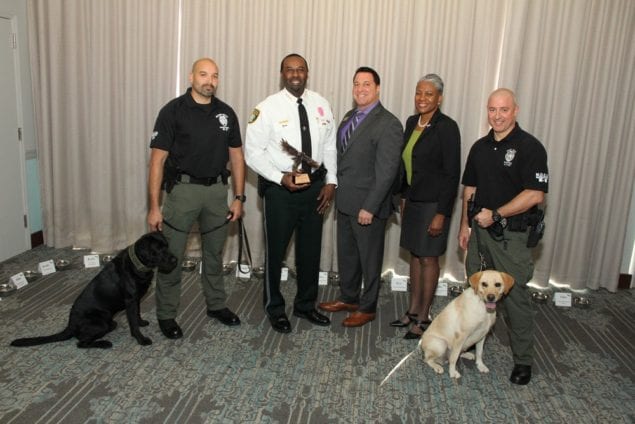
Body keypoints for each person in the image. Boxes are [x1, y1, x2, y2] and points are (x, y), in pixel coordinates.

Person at [147, 58, 246, 339]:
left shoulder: (226, 113)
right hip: (182, 192)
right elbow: (157, 161)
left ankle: (216, 305)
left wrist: (239, 197)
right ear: (191, 77)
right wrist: (154, 207)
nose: (209, 81)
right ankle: (166, 314)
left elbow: (237, 157)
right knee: (171, 256)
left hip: (217, 192)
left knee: (214, 255)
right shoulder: (172, 111)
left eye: (214, 76)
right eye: (204, 74)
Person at [458, 88, 549, 385]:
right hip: (479, 233)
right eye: (492, 110)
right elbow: (469, 190)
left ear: (516, 111)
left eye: (504, 110)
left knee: (514, 299)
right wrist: (465, 226)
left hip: (512, 237)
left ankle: (523, 360)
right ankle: (471, 344)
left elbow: (535, 194)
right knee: (476, 290)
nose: (497, 116)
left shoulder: (530, 147)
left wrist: (496, 214)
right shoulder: (480, 147)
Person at [244, 53, 337, 334]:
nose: (295, 74)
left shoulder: (321, 104)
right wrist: (279, 177)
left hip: (315, 191)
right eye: (289, 70)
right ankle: (275, 307)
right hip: (280, 193)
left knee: (310, 252)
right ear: (282, 74)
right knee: (276, 253)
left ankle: (306, 305)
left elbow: (330, 147)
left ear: (307, 73)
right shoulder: (267, 108)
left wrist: (331, 182)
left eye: (300, 69)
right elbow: (252, 153)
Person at [319, 67, 403, 327]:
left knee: (369, 259)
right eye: (356, 84)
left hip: (368, 206)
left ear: (377, 88)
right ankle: (349, 297)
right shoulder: (348, 116)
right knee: (347, 256)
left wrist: (370, 206)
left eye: (366, 84)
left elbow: (387, 172)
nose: (360, 89)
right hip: (345, 202)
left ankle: (367, 307)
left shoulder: (388, 123)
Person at [391, 74, 461, 339]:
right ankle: (411, 310)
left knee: (429, 258)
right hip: (413, 201)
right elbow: (408, 165)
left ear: (439, 98)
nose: (422, 98)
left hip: (434, 205)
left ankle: (424, 317)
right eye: (419, 92)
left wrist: (442, 213)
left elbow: (452, 174)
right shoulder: (411, 122)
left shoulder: (447, 127)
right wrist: (404, 197)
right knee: (415, 256)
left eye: (429, 94)